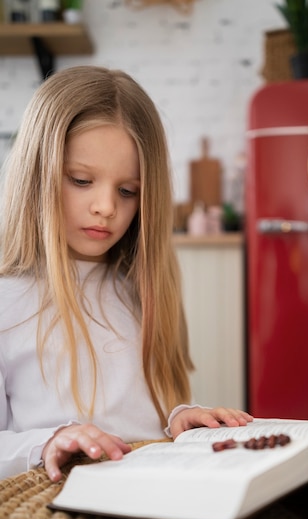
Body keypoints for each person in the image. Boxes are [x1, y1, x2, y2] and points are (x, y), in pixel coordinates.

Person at [0, 66, 252, 483]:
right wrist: (47, 443)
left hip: (150, 491)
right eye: (81, 180)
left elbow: (141, 415)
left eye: (127, 190)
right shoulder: (8, 302)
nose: (106, 207)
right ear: (35, 177)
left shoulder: (140, 288)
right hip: (51, 502)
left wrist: (180, 417)